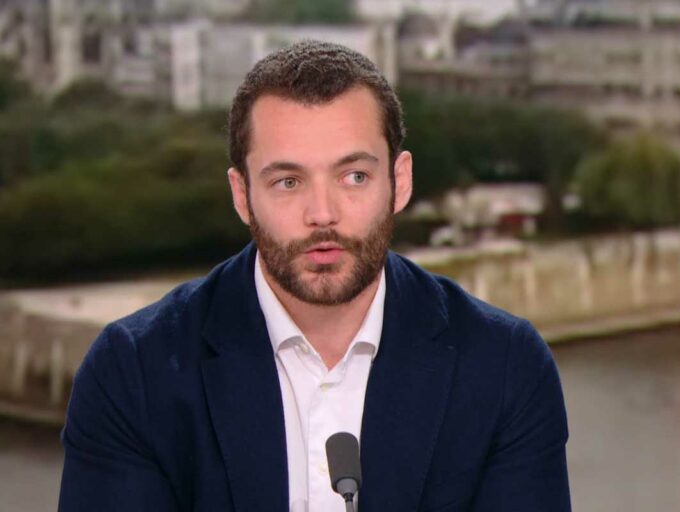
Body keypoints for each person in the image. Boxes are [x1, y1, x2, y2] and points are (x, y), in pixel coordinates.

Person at [58, 40, 570, 511]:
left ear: (400, 181)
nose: (322, 213)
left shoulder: (505, 368)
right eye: (288, 181)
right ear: (242, 196)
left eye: (354, 176)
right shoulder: (133, 374)